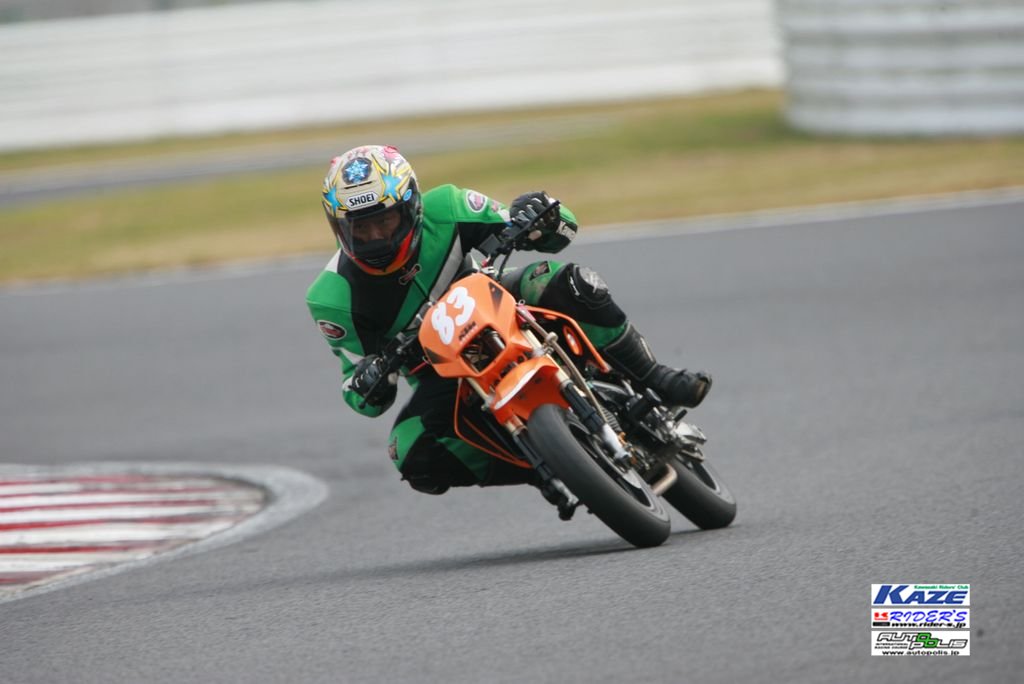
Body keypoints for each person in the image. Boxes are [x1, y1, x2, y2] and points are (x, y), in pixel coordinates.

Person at [306, 145, 711, 495]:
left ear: (412, 206)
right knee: (410, 452)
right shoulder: (332, 298)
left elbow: (563, 228)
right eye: (361, 228)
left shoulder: (448, 207)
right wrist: (369, 382)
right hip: (441, 371)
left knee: (565, 281)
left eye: (385, 221)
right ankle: (544, 465)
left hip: (499, 301)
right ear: (338, 226)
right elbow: (358, 391)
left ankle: (654, 376)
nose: (376, 237)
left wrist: (541, 216)